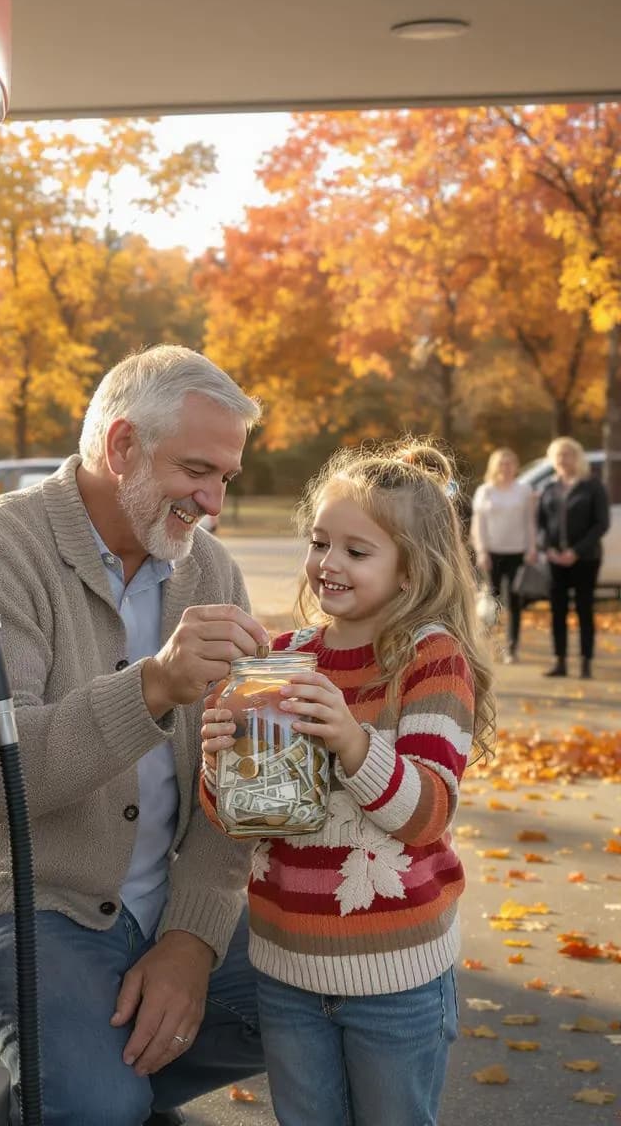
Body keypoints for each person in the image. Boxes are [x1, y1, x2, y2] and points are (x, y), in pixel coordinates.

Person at [0, 347, 268, 1125]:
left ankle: (89, 1096)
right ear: (121, 445)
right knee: (96, 1103)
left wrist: (191, 940)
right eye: (198, 469)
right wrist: (155, 684)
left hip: (171, 896)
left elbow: (238, 789)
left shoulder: (211, 569)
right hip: (29, 901)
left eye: (225, 477)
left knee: (339, 982)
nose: (214, 501)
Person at [201, 439, 496, 1126]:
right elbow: (243, 818)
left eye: (356, 552)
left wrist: (353, 741)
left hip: (397, 978)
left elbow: (426, 812)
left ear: (408, 571)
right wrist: (221, 767)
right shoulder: (285, 657)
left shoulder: (429, 660)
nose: (328, 564)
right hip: (285, 970)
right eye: (320, 542)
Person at [536, 436, 610, 679]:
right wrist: (548, 548)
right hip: (555, 559)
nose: (562, 459)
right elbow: (540, 524)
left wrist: (576, 551)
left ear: (577, 458)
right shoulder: (549, 487)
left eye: (567, 454)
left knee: (583, 609)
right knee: (557, 610)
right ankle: (560, 661)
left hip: (585, 558)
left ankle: (586, 661)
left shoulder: (592, 486)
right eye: (558, 455)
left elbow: (602, 524)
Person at [470, 447, 538, 663]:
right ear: (495, 466)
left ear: (516, 467)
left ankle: (512, 648)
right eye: (502, 463)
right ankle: (486, 647)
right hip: (491, 554)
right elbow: (478, 525)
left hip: (518, 553)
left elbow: (530, 521)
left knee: (515, 602)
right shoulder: (485, 491)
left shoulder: (524, 490)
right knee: (491, 603)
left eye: (510, 463)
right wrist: (481, 551)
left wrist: (532, 547)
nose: (506, 467)